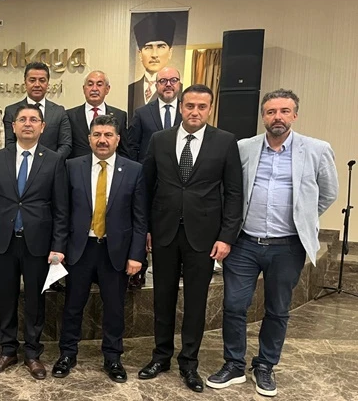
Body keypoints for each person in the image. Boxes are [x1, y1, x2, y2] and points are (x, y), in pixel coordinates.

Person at [206, 89, 338, 397]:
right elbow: (229, 189)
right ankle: (234, 364)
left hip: (287, 246)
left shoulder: (317, 150)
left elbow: (328, 193)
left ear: (294, 115)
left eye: (284, 111)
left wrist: (302, 217)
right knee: (234, 305)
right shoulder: (244, 148)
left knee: (277, 309)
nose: (277, 117)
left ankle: (265, 365)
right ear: (263, 116)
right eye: (271, 112)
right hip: (244, 243)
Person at [139, 84, 243, 393]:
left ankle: (189, 362)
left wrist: (226, 237)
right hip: (164, 232)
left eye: (202, 106)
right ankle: (161, 356)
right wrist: (146, 228)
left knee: (196, 302)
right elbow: (146, 187)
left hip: (204, 236)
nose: (195, 112)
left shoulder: (225, 142)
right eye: (190, 106)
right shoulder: (159, 140)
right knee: (162, 298)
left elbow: (234, 194)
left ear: (210, 109)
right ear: (180, 107)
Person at [52, 115, 147, 383]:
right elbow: (62, 213)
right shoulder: (72, 167)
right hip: (79, 249)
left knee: (114, 308)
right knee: (72, 306)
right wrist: (58, 248)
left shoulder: (134, 170)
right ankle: (67, 354)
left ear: (117, 139)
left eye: (108, 135)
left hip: (115, 251)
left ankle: (113, 357)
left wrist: (136, 255)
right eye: (97, 135)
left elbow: (140, 219)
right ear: (89, 139)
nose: (102, 140)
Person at [0, 104, 68, 380]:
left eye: (33, 119)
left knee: (35, 300)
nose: (28, 123)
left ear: (43, 126)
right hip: (4, 242)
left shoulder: (54, 160)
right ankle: (7, 350)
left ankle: (32, 352)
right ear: (13, 126)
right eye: (22, 119)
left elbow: (61, 209)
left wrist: (58, 246)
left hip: (38, 243)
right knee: (5, 297)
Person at [126, 66, 183, 289]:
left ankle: (177, 266)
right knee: (143, 223)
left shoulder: (187, 112)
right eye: (163, 81)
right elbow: (132, 146)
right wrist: (137, 175)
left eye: (173, 80)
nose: (168, 84)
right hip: (148, 181)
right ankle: (139, 270)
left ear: (179, 84)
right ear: (156, 85)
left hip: (179, 182)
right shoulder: (142, 113)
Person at [3, 62, 72, 157]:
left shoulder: (59, 112)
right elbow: (9, 143)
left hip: (51, 164)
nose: (37, 84)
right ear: (25, 82)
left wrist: (51, 161)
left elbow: (65, 145)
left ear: (47, 83)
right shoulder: (11, 111)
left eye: (42, 80)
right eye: (32, 80)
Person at [68, 71, 132, 160]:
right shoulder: (70, 115)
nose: (94, 89)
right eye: (90, 84)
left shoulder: (119, 115)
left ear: (107, 89)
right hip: (79, 166)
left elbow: (123, 150)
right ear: (84, 89)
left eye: (99, 84)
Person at [127, 13, 176, 116]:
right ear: (140, 54)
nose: (154, 55)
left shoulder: (179, 91)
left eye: (161, 47)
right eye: (148, 48)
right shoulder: (130, 90)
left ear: (170, 52)